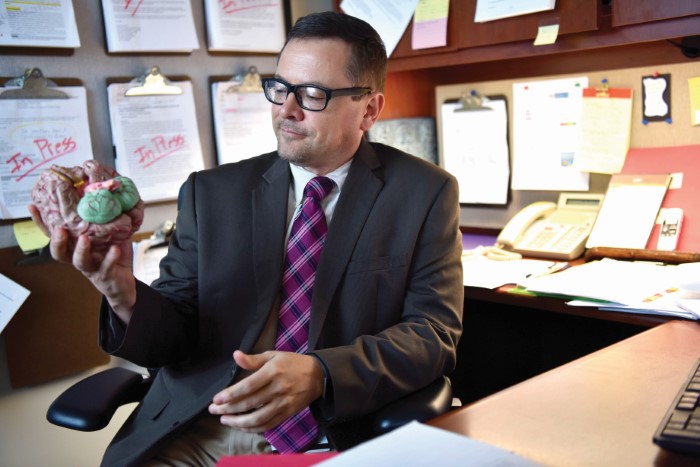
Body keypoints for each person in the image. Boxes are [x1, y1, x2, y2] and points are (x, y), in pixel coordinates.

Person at [30, 10, 463, 467]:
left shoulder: (424, 193)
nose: (286, 110)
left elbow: (432, 336)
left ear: (370, 109)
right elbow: (173, 340)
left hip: (332, 432)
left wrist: (321, 373)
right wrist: (122, 293)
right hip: (202, 428)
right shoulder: (210, 193)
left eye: (312, 94)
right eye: (279, 88)